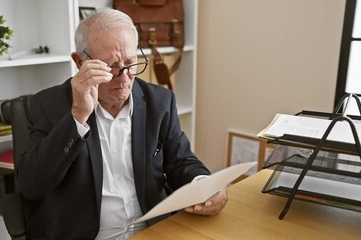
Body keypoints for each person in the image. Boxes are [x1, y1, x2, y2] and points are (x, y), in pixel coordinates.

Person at [16, 8, 227, 240]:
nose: (124, 78)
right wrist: (77, 117)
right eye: (110, 66)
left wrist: (206, 185)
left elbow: (181, 161)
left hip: (152, 229)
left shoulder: (160, 101)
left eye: (130, 62)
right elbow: (30, 185)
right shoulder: (48, 105)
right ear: (80, 62)